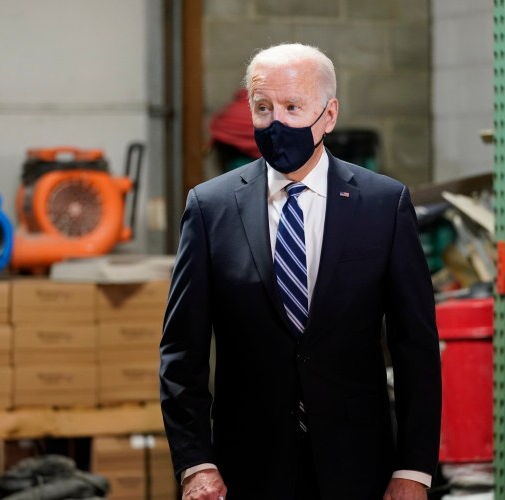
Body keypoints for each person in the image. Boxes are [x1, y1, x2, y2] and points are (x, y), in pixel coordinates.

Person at [159, 43, 441, 500]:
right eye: (264, 107)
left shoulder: (383, 205)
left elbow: (416, 348)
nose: (276, 123)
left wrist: (414, 469)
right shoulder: (210, 208)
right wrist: (196, 463)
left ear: (328, 116)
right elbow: (181, 351)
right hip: (246, 469)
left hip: (358, 465)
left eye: (293, 108)